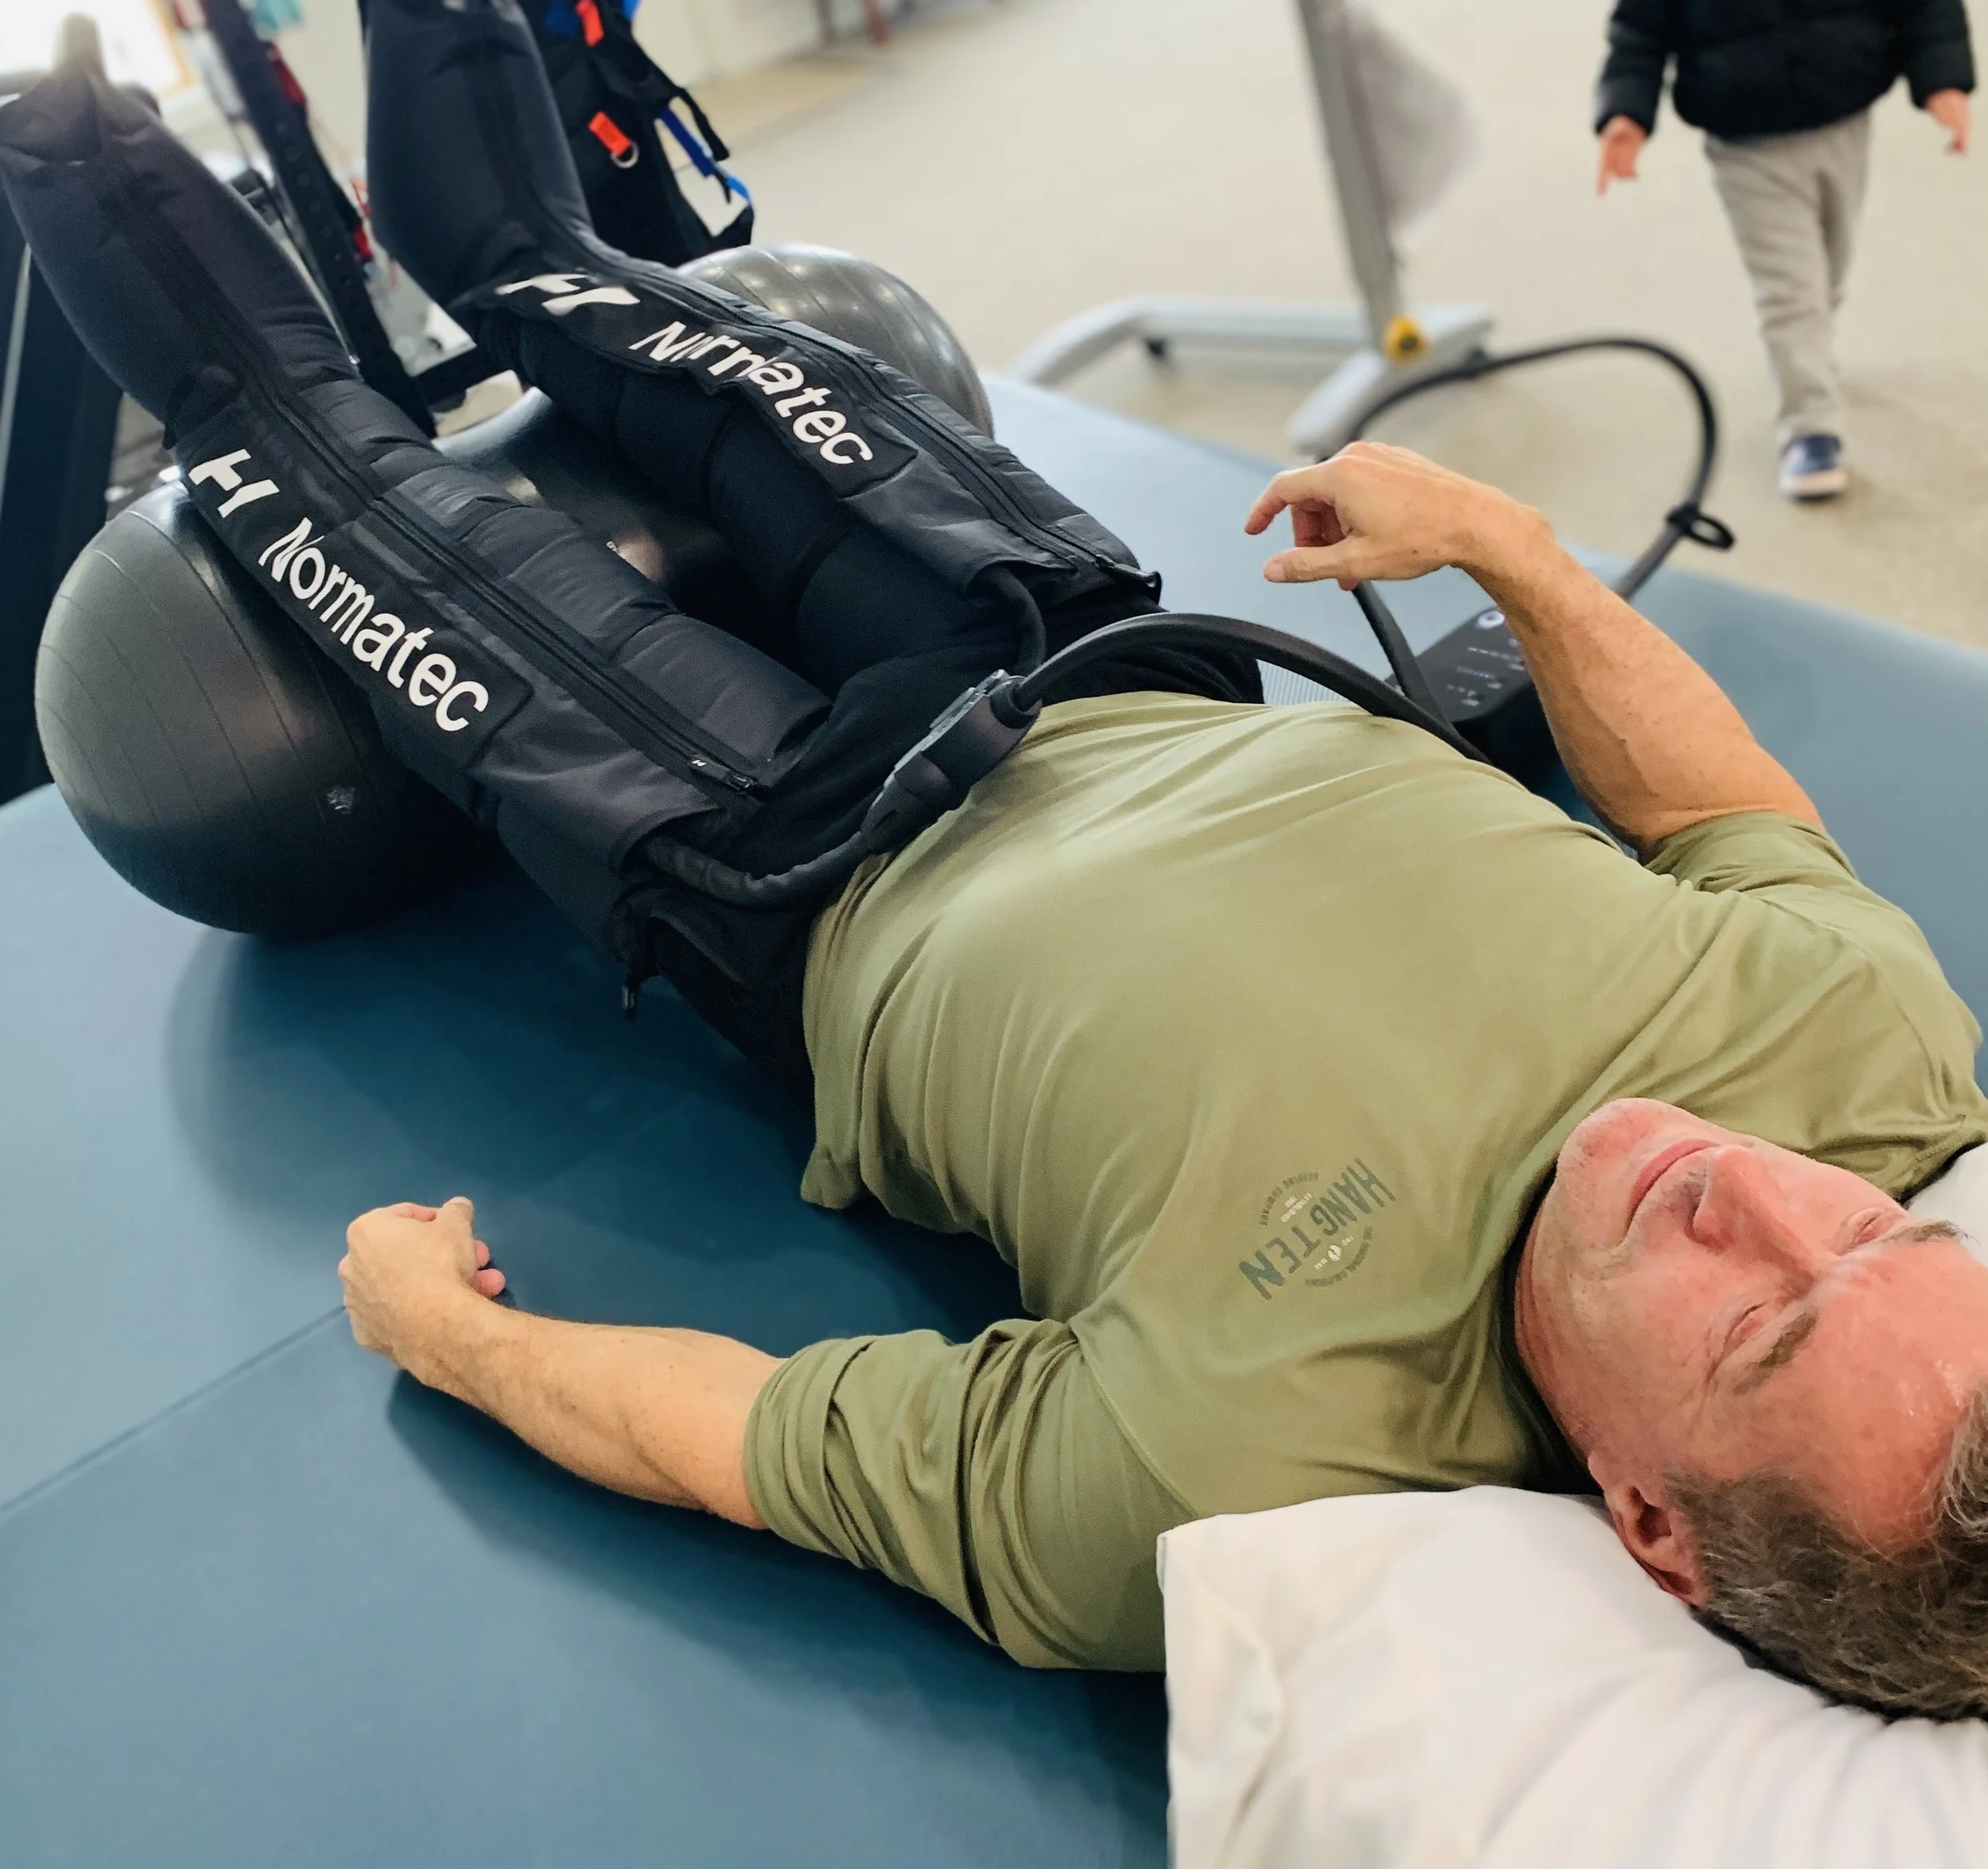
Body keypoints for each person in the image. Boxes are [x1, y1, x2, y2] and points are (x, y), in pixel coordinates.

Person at [342, 439, 1988, 1720]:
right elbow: (1727, 821)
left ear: (1650, 1524)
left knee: (305, 444)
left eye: (1760, 1320)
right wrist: (1507, 548)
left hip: (807, 863)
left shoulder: (1244, 1484)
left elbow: (752, 1439)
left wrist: (455, 1337)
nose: (1750, 1186)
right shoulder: (1888, 1059)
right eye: (1874, 1231)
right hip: (1109, 655)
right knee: (597, 295)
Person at [1594, 0, 1974, 502]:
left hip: (1844, 116)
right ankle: (1810, 427)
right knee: (1792, 291)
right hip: (1746, 144)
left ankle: (1811, 356)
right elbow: (1639, 32)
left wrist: (1941, 77)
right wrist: (1626, 111)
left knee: (1828, 273)